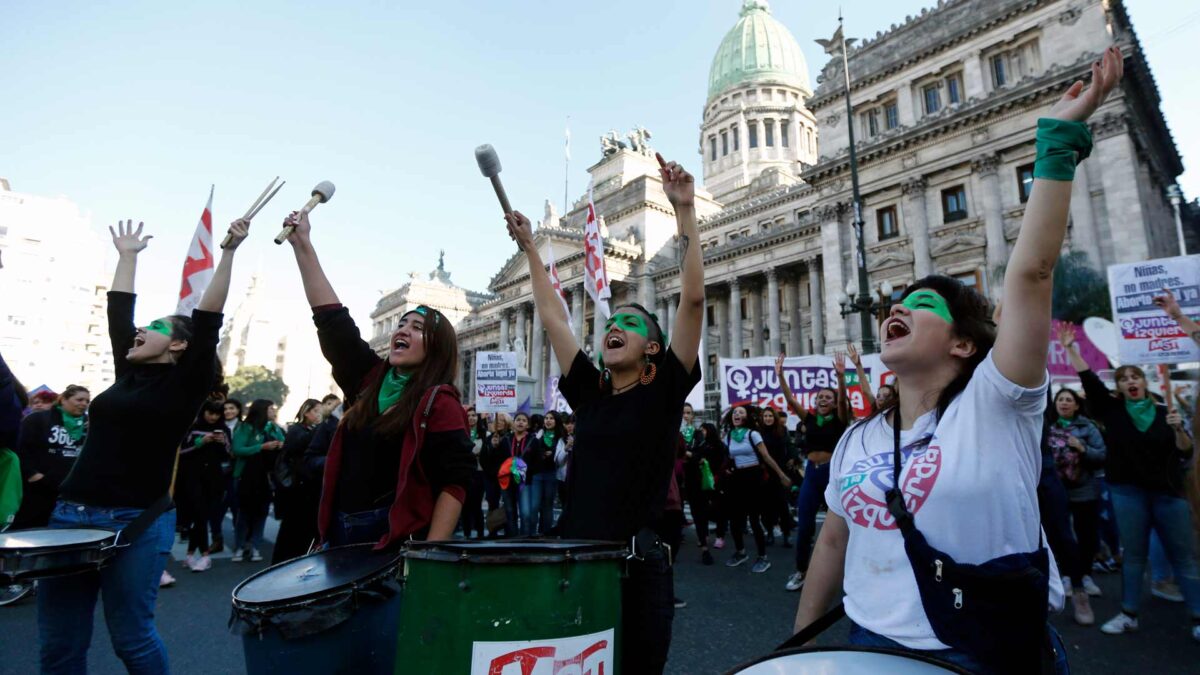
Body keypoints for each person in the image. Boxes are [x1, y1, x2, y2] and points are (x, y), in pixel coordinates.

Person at [795, 50, 1122, 673]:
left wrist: (1054, 146)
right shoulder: (859, 437)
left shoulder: (998, 405)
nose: (895, 307)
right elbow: (833, 539)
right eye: (893, 302)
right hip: (869, 646)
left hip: (984, 650)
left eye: (919, 304)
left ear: (965, 343)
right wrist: (803, 648)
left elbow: (1030, 274)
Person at [504, 151, 702, 674]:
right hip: (575, 555)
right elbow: (553, 319)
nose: (616, 325)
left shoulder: (663, 395)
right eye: (615, 322)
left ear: (655, 351)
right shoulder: (591, 393)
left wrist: (683, 211)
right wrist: (530, 248)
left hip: (636, 564)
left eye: (634, 324)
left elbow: (694, 302)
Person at [38, 217, 245, 672]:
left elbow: (208, 320)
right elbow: (118, 312)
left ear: (177, 347)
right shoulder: (128, 373)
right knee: (59, 646)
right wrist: (127, 257)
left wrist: (228, 253)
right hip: (69, 516)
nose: (137, 331)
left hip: (135, 523)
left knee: (131, 640)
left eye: (151, 327)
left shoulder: (184, 385)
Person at [282, 208, 474, 549]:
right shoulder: (369, 380)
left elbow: (455, 482)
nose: (402, 329)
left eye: (418, 328)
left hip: (393, 538)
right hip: (339, 531)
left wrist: (429, 555)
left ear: (437, 349)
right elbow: (332, 321)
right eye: (401, 323)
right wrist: (303, 245)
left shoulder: (438, 402)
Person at [1061, 324, 1200, 639]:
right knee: (1134, 555)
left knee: (1184, 557)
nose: (1130, 382)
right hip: (1127, 493)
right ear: (1120, 388)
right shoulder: (1112, 410)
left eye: (1134, 377)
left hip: (1169, 493)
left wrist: (1179, 430)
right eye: (1123, 379)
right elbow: (1090, 382)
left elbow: (1185, 452)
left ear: (1143, 381)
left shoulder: (1167, 412)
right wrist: (1072, 350)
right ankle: (1129, 613)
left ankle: (1197, 617)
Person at [777, 352, 850, 592]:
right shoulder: (808, 418)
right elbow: (789, 398)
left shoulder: (839, 419)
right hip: (811, 473)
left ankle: (848, 573)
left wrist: (840, 377)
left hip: (832, 474)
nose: (823, 400)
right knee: (806, 525)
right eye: (820, 397)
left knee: (842, 526)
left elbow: (842, 402)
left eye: (828, 397)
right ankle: (801, 571)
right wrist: (780, 376)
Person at [1044, 383, 1107, 621]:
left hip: (1079, 488)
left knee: (1079, 534)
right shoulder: (1047, 425)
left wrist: (1081, 448)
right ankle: (1064, 578)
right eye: (1061, 400)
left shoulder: (1086, 427)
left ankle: (1081, 585)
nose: (1064, 403)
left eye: (1069, 400)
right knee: (1053, 536)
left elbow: (1101, 455)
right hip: (1047, 485)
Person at [720, 406, 791, 572]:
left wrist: (781, 475)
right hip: (737, 479)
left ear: (747, 418)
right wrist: (728, 468)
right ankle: (740, 552)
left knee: (754, 519)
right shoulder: (728, 436)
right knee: (735, 520)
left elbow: (766, 457)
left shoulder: (753, 434)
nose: (737, 414)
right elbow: (728, 457)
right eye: (735, 412)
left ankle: (762, 557)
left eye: (741, 413)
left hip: (754, 478)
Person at [13, 385, 90, 530]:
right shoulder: (38, 419)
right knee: (28, 531)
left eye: (87, 401)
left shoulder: (88, 425)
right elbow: (20, 448)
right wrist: (33, 474)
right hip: (37, 489)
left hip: (68, 493)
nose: (84, 404)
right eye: (79, 399)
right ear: (63, 400)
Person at [178, 400, 229, 572]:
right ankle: (204, 555)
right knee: (198, 515)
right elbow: (181, 451)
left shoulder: (224, 429)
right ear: (203, 412)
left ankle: (191, 554)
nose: (213, 417)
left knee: (202, 516)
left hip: (214, 479)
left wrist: (222, 442)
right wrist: (200, 442)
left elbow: (230, 454)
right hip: (192, 477)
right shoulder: (192, 428)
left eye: (217, 414)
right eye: (210, 413)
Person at [271, 398, 323, 563]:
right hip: (297, 487)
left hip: (308, 487)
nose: (319, 414)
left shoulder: (313, 430)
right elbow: (297, 446)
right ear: (306, 412)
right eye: (315, 411)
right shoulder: (296, 430)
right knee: (292, 530)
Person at [231, 399, 283, 562]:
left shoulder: (273, 427)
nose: (273, 412)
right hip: (245, 476)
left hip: (265, 477)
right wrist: (261, 447)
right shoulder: (245, 427)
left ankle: (255, 546)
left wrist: (279, 444)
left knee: (261, 514)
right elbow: (238, 449)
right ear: (262, 411)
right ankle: (240, 547)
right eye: (270, 409)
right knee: (244, 513)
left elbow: (284, 443)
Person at [759, 405, 796, 547]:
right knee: (767, 507)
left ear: (774, 417)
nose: (768, 418)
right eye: (765, 416)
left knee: (782, 506)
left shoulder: (782, 430)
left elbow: (790, 446)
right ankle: (770, 533)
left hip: (780, 473)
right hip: (766, 474)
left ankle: (786, 535)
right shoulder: (759, 433)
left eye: (770, 416)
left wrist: (792, 458)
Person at [523, 410, 563, 535]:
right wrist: (541, 454)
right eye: (546, 418)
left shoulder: (560, 436)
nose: (548, 420)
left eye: (551, 418)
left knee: (547, 505)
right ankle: (531, 534)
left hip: (551, 474)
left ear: (556, 421)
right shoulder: (538, 434)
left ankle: (545, 534)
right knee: (534, 506)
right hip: (537, 474)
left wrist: (553, 454)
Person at [499, 412, 532, 537]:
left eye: (524, 420)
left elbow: (537, 462)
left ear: (527, 425)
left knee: (525, 513)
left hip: (525, 482)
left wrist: (525, 471)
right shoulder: (506, 439)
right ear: (514, 422)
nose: (520, 422)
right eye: (518, 419)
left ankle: (525, 540)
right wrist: (494, 446)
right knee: (510, 511)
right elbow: (499, 459)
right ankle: (512, 540)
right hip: (507, 481)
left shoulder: (532, 440)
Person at [460, 406, 488, 539]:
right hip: (464, 472)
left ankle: (480, 532)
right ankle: (466, 532)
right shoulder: (461, 432)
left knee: (476, 503)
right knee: (465, 504)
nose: (471, 418)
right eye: (469, 415)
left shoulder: (485, 434)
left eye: (474, 415)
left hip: (479, 472)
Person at [482, 413, 511, 537]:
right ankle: (492, 528)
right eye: (497, 420)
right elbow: (483, 459)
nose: (499, 423)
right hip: (490, 477)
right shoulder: (489, 438)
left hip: (505, 477)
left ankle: (509, 529)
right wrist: (492, 447)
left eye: (502, 420)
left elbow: (510, 456)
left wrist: (499, 446)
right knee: (492, 503)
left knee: (508, 504)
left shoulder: (509, 438)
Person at [554, 414, 575, 521]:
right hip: (562, 479)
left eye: (572, 423)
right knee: (564, 507)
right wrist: (566, 448)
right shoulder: (561, 440)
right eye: (567, 423)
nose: (570, 426)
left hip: (576, 479)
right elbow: (558, 461)